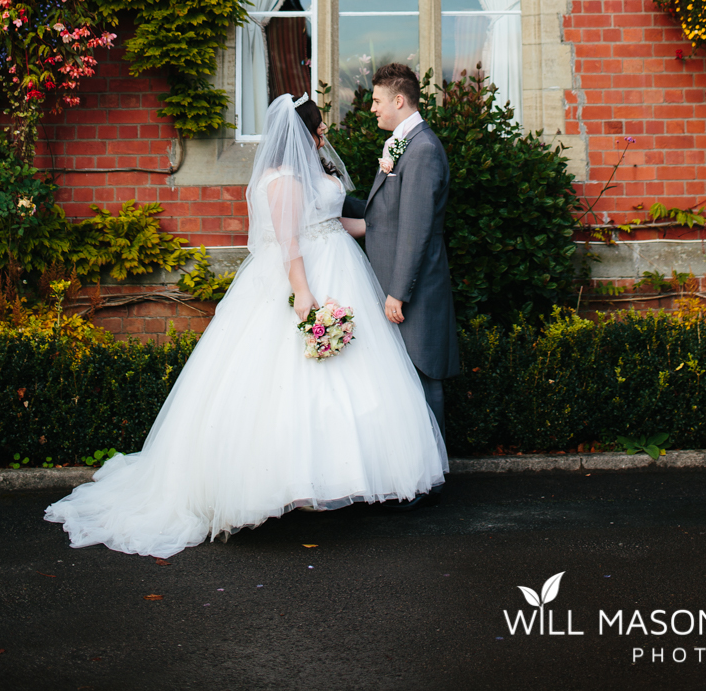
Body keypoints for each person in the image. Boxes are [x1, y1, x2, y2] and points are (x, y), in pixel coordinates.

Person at [44, 93, 446, 557]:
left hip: (342, 265)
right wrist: (303, 293)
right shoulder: (283, 179)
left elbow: (336, 221)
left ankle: (343, 477)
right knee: (294, 381)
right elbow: (290, 242)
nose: (324, 136)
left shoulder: (315, 170)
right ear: (303, 132)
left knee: (351, 375)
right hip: (309, 277)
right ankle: (288, 484)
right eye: (319, 129)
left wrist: (382, 224)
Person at [342, 62, 460, 450]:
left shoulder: (422, 150)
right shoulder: (401, 143)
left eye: (377, 100)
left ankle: (432, 478)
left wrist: (398, 292)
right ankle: (415, 473)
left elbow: (416, 228)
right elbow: (384, 215)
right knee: (404, 383)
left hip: (415, 291)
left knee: (424, 381)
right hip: (398, 286)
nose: (372, 107)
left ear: (398, 99)